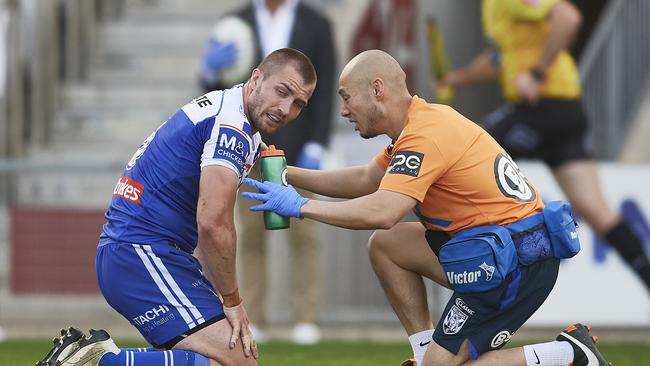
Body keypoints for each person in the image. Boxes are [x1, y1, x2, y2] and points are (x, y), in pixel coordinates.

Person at [242, 49, 610, 366]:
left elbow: (383, 211)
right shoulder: (418, 125)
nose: (343, 111)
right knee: (387, 247)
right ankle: (424, 354)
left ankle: (569, 355)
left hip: (517, 262)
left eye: (346, 96)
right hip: (496, 246)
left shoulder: (425, 135)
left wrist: (302, 207)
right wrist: (285, 172)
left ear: (377, 90)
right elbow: (363, 181)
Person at [36, 48, 317, 366]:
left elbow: (206, 229)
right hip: (140, 252)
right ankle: (99, 362)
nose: (285, 108)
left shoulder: (237, 121)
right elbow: (213, 223)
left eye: (298, 104)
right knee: (239, 360)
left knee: (234, 358)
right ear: (256, 79)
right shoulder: (233, 128)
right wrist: (233, 301)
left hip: (142, 252)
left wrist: (220, 300)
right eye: (282, 92)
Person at [437, 0, 650, 294]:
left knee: (464, 157)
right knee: (597, 210)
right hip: (561, 112)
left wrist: (537, 74)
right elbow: (499, 59)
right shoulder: (491, 6)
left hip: (544, 108)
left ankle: (475, 280)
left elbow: (568, 16)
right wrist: (456, 79)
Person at [199, 0, 336, 344]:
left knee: (304, 234)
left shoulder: (316, 23)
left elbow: (324, 92)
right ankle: (254, 315)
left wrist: (317, 143)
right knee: (250, 235)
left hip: (298, 150)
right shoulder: (234, 21)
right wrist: (209, 72)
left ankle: (305, 318)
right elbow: (219, 89)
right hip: (246, 147)